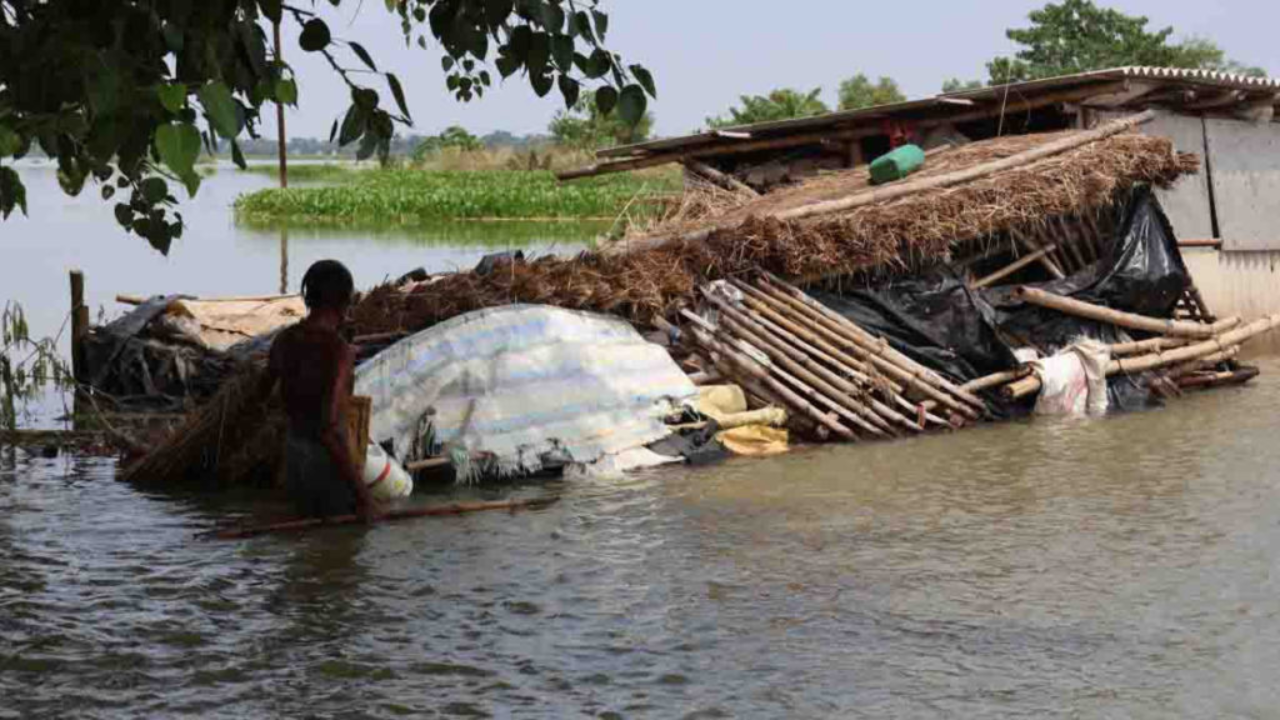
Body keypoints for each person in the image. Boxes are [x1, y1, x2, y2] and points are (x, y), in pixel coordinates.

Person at [262, 259, 376, 521]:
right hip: (327, 464)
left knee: (306, 542)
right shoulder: (339, 352)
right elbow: (327, 428)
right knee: (338, 548)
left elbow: (260, 395)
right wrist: (364, 497)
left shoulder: (285, 340)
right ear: (345, 302)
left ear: (308, 297)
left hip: (293, 458)